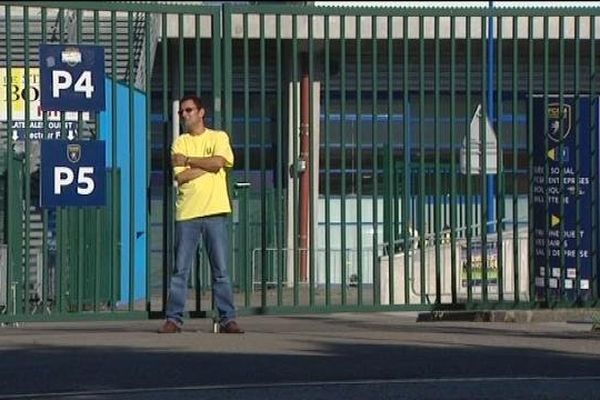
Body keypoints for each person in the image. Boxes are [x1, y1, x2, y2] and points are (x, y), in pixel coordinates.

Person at [158, 94, 243, 334]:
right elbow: (181, 175)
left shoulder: (218, 137)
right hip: (188, 213)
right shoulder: (179, 143)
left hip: (215, 211)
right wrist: (207, 167)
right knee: (180, 271)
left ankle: (227, 318)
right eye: (182, 112)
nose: (185, 115)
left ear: (201, 112)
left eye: (189, 110)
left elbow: (220, 162)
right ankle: (173, 319)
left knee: (221, 271)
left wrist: (192, 162)